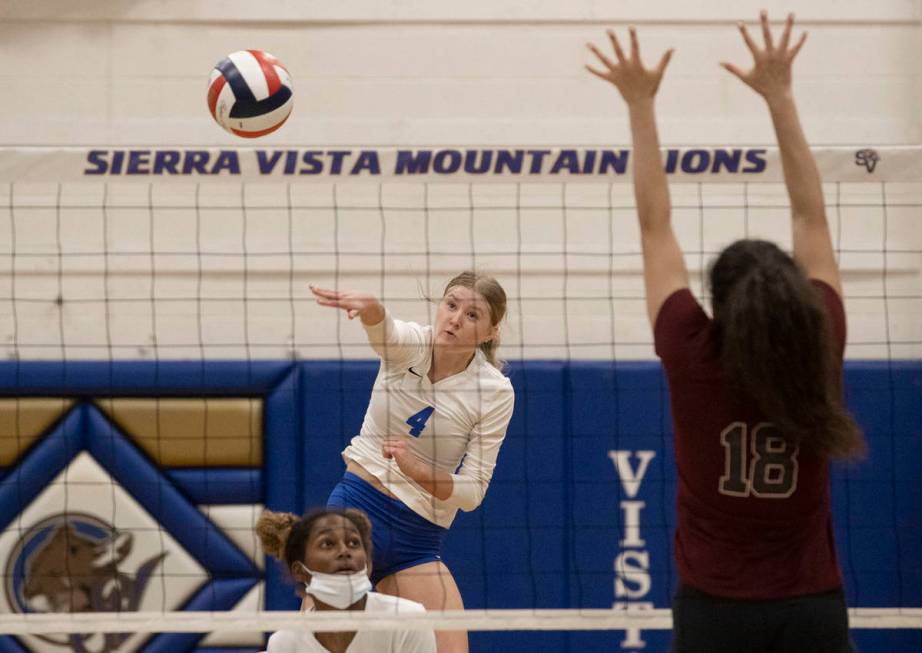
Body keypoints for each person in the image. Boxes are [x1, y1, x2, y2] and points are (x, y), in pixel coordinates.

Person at [587, 11, 864, 653]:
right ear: (794, 293)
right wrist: (780, 95)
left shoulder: (690, 349)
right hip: (811, 608)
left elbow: (655, 224)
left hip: (716, 613)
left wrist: (640, 105)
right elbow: (810, 215)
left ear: (717, 304)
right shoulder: (823, 337)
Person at [309, 271, 515, 653]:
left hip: (418, 537)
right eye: (451, 305)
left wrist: (419, 472)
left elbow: (472, 493)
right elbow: (386, 332)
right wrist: (371, 309)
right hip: (354, 516)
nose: (455, 318)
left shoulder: (495, 390)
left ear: (490, 332)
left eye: (473, 315)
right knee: (316, 646)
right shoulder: (414, 344)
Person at [257, 508, 437, 653]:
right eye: (327, 544)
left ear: (367, 561)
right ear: (300, 571)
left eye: (353, 543)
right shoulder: (285, 644)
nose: (345, 551)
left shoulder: (407, 619)